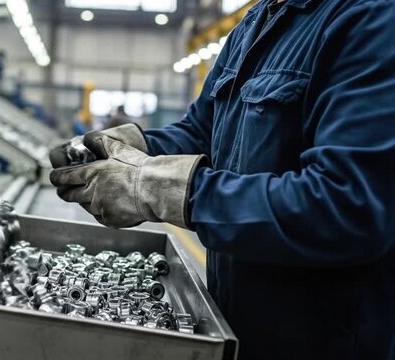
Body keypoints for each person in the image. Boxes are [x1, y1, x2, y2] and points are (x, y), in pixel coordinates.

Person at [48, 0, 395, 359]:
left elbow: (347, 206)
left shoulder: (371, 18)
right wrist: (130, 149)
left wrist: (164, 189)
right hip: (238, 328)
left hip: (322, 342)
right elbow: (202, 131)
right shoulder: (258, 22)